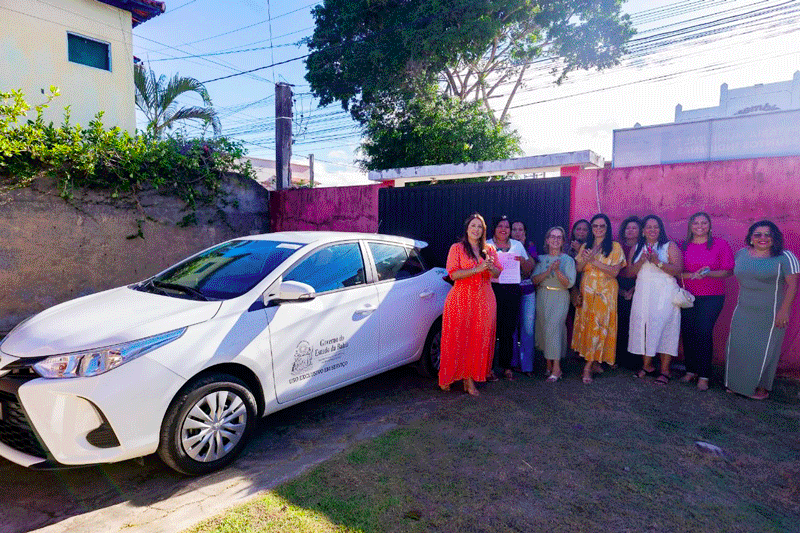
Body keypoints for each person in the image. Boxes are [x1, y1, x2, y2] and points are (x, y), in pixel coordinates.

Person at [726, 220, 798, 400]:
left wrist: (784, 311)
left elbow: (793, 286)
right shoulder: (741, 254)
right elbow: (730, 271)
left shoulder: (785, 257)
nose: (763, 238)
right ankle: (736, 385)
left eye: (768, 234)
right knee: (738, 347)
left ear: (775, 237)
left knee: (763, 350)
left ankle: (757, 387)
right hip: (743, 309)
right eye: (757, 234)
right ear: (751, 238)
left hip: (771, 313)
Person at [439, 213, 502, 396]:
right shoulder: (457, 248)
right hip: (461, 298)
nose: (476, 229)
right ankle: (450, 375)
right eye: (473, 225)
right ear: (467, 228)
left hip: (484, 299)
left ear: (484, 230)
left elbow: (497, 273)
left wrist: (490, 267)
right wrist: (477, 269)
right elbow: (453, 274)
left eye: (480, 226)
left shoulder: (490, 249)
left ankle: (469, 378)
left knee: (477, 339)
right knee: (458, 338)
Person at [679, 212, 734, 391]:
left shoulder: (720, 244)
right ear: (690, 226)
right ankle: (690, 370)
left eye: (704, 223)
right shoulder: (683, 246)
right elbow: (677, 271)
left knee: (703, 332)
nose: (700, 226)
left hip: (712, 297)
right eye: (696, 223)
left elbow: (728, 271)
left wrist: (708, 273)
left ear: (710, 226)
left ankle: (704, 375)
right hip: (687, 296)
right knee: (688, 332)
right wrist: (692, 276)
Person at [628, 215, 684, 384]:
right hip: (643, 293)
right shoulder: (637, 247)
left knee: (666, 328)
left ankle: (665, 370)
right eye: (649, 227)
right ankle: (647, 366)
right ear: (643, 231)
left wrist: (657, 262)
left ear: (661, 230)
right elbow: (630, 272)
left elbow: (678, 269)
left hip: (664, 294)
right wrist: (642, 261)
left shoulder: (669, 246)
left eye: (656, 227)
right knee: (644, 328)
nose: (652, 230)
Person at [572, 214, 626, 384]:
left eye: (602, 226)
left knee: (600, 326)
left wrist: (593, 261)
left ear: (607, 228)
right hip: (587, 290)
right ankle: (594, 362)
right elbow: (579, 268)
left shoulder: (615, 247)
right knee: (588, 325)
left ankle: (587, 367)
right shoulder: (585, 246)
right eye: (595, 226)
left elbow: (614, 272)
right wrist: (585, 258)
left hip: (606, 292)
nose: (598, 229)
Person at [487, 216, 531, 380]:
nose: (503, 229)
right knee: (491, 329)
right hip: (492, 289)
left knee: (508, 329)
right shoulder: (487, 245)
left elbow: (528, 269)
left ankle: (506, 367)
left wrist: (523, 261)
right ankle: (488, 367)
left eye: (507, 226)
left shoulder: (517, 245)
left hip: (512, 290)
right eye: (500, 226)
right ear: (494, 228)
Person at [532, 226, 576, 381]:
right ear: (547, 240)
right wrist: (547, 271)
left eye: (559, 237)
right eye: (552, 236)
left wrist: (557, 271)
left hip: (560, 296)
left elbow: (569, 283)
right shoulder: (541, 259)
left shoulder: (568, 260)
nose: (555, 240)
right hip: (543, 295)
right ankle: (548, 364)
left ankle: (557, 369)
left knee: (554, 328)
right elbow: (534, 280)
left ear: (563, 241)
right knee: (544, 329)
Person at [511, 220, 538, 376]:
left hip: (528, 292)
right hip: (511, 292)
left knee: (528, 329)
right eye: (514, 229)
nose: (517, 232)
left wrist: (522, 249)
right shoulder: (506, 246)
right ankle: (513, 363)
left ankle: (527, 366)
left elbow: (530, 268)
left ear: (525, 232)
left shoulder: (531, 246)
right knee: (512, 329)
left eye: (520, 229)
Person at [616, 216, 641, 370]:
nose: (630, 231)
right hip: (618, 286)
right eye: (627, 228)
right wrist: (619, 290)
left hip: (638, 286)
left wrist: (634, 289)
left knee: (636, 324)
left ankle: (634, 361)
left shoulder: (643, 248)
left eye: (634, 228)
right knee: (620, 323)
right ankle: (619, 358)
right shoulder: (617, 247)